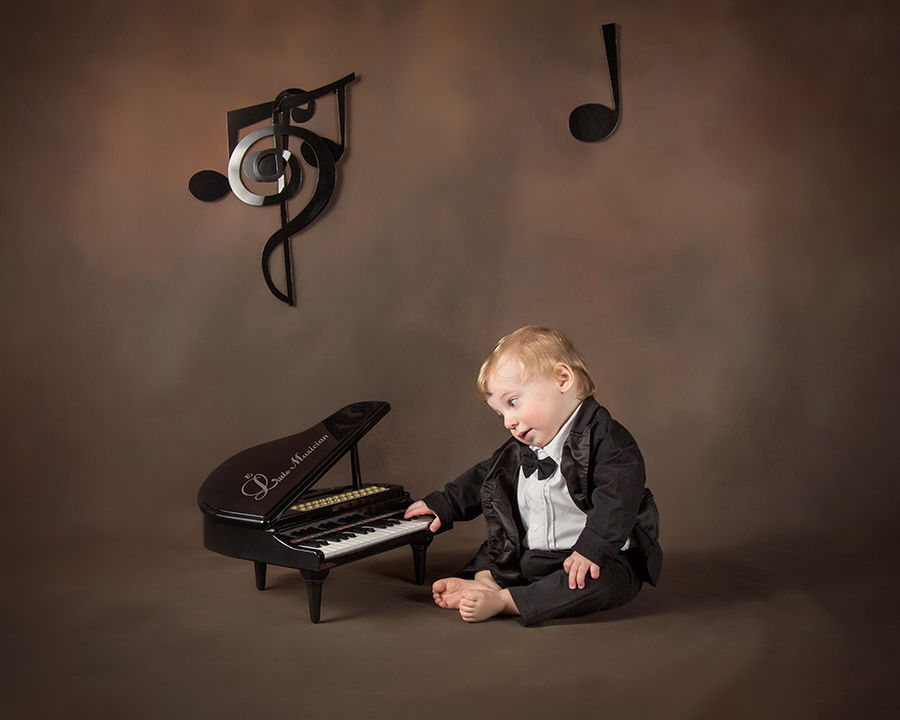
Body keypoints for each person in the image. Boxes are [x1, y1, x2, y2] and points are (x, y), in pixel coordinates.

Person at [404, 326, 662, 625]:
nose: (509, 422)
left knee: (601, 581)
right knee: (499, 550)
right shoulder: (521, 450)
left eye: (512, 403)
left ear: (562, 379)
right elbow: (484, 477)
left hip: (594, 557)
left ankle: (507, 600)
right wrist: (445, 503)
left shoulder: (608, 441)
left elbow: (617, 498)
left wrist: (594, 547)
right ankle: (487, 580)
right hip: (533, 555)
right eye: (500, 414)